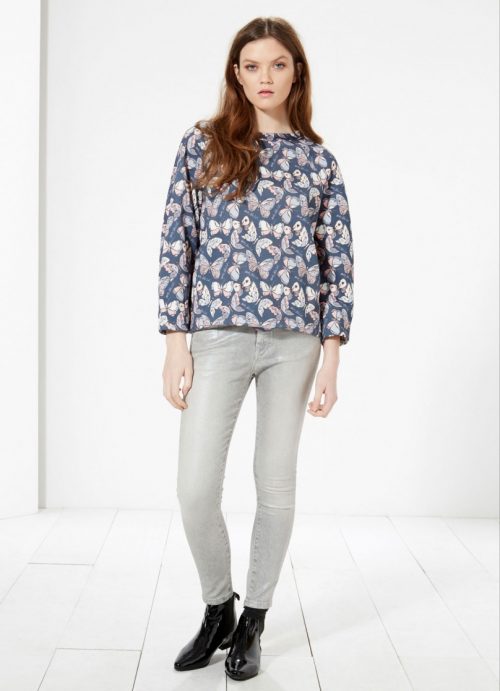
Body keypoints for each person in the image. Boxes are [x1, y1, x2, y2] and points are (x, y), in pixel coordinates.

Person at [158, 16, 354, 682]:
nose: (264, 77)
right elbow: (177, 243)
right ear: (235, 75)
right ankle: (219, 605)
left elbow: (337, 263)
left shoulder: (319, 162)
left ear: (296, 73)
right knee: (194, 488)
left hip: (295, 342)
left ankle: (254, 621)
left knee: (275, 483)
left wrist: (332, 356)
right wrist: (175, 342)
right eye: (251, 66)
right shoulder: (203, 145)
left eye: (277, 64)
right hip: (217, 336)